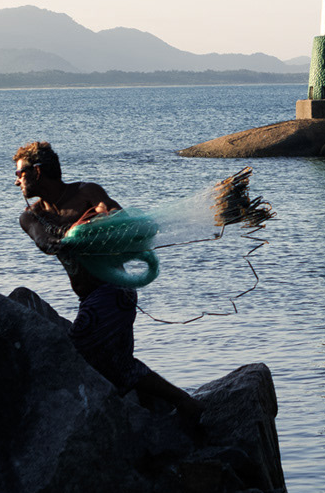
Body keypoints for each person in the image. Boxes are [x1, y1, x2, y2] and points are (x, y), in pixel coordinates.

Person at [13, 140, 202, 425]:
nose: (16, 182)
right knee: (119, 368)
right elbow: (46, 243)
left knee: (79, 353)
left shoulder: (86, 192)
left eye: (20, 174)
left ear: (37, 172)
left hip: (116, 292)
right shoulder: (31, 216)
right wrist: (72, 235)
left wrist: (104, 217)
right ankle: (176, 411)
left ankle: (179, 404)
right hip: (89, 298)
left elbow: (118, 216)